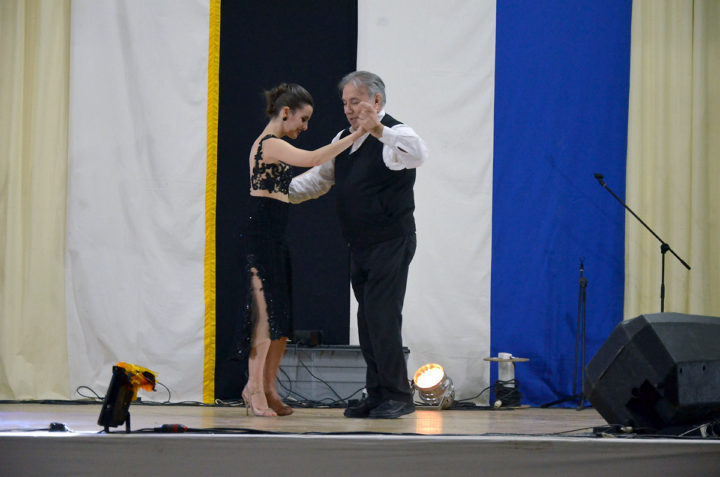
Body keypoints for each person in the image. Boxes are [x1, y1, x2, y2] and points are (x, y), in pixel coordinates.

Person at [289, 71, 428, 418]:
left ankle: (399, 395)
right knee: (367, 321)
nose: (349, 110)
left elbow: (417, 154)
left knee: (382, 318)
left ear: (376, 102)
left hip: (391, 241)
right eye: (345, 104)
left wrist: (379, 130)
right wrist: (279, 192)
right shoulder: (344, 138)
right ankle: (378, 394)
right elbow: (320, 178)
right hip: (361, 244)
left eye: (356, 102)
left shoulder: (396, 134)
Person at [234, 83, 367, 417]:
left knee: (280, 325)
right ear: (286, 112)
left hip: (275, 237)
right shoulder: (269, 144)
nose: (305, 127)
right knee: (263, 321)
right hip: (259, 236)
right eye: (303, 119)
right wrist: (354, 136)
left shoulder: (277, 145)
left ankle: (268, 387)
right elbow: (313, 159)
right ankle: (252, 389)